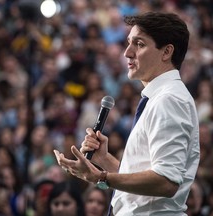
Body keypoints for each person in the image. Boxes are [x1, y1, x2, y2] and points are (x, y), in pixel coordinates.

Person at [54, 12, 200, 215]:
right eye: (128, 43)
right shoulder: (161, 97)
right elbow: (146, 185)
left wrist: (100, 176)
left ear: (166, 52)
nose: (127, 53)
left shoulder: (169, 100)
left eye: (139, 44)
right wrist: (105, 160)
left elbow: (166, 182)